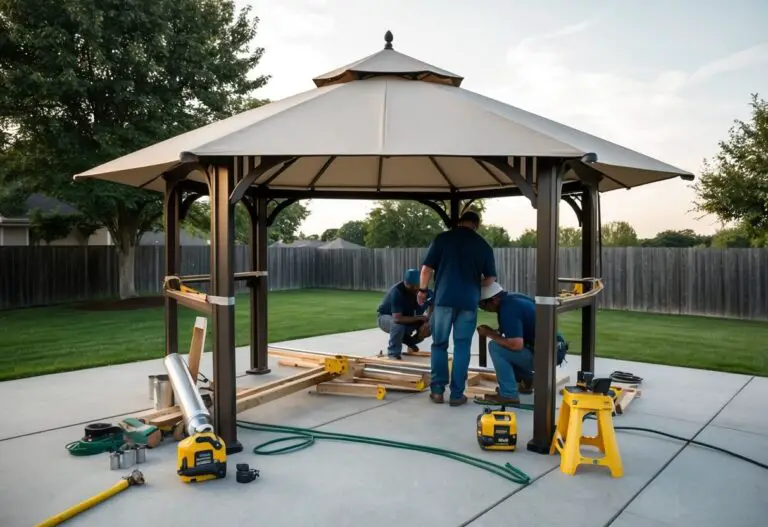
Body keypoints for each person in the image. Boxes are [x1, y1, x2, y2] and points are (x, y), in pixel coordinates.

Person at [417, 210, 497, 406]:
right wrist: (473, 284)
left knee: (439, 345)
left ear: (459, 221)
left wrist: (422, 291)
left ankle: (437, 391)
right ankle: (456, 395)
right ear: (476, 225)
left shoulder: (442, 239)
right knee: (462, 346)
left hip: (443, 300)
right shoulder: (483, 245)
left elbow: (426, 269)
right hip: (468, 303)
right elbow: (490, 279)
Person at [476, 282, 569, 404]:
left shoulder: (508, 310)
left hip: (546, 355)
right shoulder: (513, 299)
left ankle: (508, 394)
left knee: (495, 347)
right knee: (504, 345)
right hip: (552, 349)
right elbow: (515, 331)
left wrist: (490, 334)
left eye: (482, 304)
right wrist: (494, 332)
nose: (483, 308)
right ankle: (527, 380)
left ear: (494, 300)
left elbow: (516, 345)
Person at [377, 269, 433, 360]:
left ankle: (409, 341)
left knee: (430, 327)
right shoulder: (397, 291)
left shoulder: (423, 290)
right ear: (405, 283)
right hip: (386, 318)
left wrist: (427, 322)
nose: (415, 289)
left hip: (408, 318)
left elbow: (433, 303)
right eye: (412, 287)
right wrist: (420, 318)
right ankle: (393, 353)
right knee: (398, 326)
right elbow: (397, 319)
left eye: (417, 286)